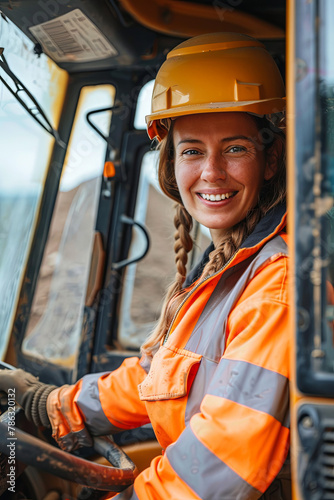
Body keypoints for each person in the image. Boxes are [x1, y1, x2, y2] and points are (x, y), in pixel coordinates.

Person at [0, 32, 290, 499]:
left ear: (270, 158)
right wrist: (51, 403)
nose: (212, 172)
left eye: (235, 148)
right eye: (193, 150)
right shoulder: (230, 266)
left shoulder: (277, 283)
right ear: (172, 163)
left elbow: (220, 467)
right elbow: (162, 379)